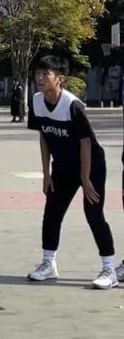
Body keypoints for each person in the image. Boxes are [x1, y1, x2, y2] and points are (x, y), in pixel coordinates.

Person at [26, 55, 119, 289]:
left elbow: (86, 142)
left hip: (91, 165)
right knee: (52, 212)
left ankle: (109, 269)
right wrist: (46, 174)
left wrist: (86, 179)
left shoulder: (72, 105)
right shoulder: (36, 101)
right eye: (37, 73)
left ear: (60, 79)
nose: (39, 78)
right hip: (63, 167)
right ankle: (48, 264)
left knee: (93, 214)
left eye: (45, 74)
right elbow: (44, 137)